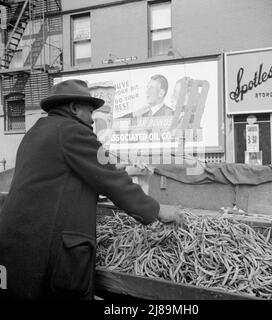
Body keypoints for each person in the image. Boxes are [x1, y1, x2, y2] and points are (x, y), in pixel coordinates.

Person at [0, 79, 183, 300]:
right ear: (74, 108)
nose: (93, 120)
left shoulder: (34, 133)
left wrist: (112, 167)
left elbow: (68, 176)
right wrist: (157, 210)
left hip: (16, 248)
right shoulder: (73, 131)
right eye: (90, 111)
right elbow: (112, 179)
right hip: (48, 251)